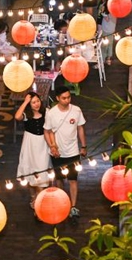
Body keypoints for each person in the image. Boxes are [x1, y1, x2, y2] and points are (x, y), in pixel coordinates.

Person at [44, 85, 87, 218]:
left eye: (68, 97)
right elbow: (47, 131)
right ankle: (61, 203)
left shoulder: (76, 110)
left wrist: (84, 146)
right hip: (58, 153)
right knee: (59, 180)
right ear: (57, 98)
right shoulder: (51, 113)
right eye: (64, 98)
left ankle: (73, 206)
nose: (67, 100)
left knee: (73, 180)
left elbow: (80, 128)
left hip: (73, 152)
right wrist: (52, 146)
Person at [15, 91, 52, 210]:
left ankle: (39, 202)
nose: (36, 104)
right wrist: (25, 102)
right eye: (33, 102)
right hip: (30, 145)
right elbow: (17, 116)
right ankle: (33, 197)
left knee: (42, 171)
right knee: (30, 173)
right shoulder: (27, 115)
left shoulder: (47, 112)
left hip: (43, 144)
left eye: (37, 101)